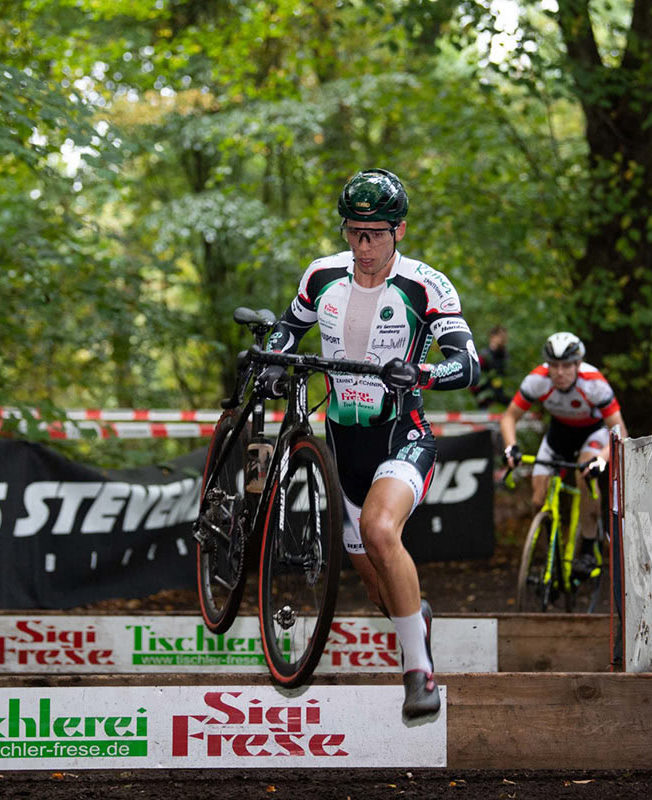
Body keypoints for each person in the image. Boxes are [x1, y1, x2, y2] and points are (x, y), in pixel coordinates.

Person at [259, 168, 479, 719]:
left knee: (383, 530)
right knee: (379, 590)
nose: (363, 245)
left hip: (403, 438)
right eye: (354, 231)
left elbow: (468, 364)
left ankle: (419, 673)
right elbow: (290, 327)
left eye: (376, 233)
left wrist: (422, 372)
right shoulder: (322, 275)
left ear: (399, 230)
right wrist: (272, 356)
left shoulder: (426, 284)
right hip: (344, 452)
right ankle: (414, 618)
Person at [498, 332, 628, 574]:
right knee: (538, 499)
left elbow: (620, 432)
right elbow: (509, 417)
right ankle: (552, 550)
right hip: (559, 433)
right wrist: (511, 447)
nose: (559, 372)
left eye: (566, 365)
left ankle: (589, 548)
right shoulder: (537, 380)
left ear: (578, 364)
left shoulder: (594, 384)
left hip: (593, 433)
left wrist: (602, 459)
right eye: (554, 365)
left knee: (585, 474)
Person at [470, 325, 510, 409]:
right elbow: (474, 375)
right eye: (501, 336)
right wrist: (478, 395)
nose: (503, 340)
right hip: (486, 399)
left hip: (502, 398)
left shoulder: (504, 356)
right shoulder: (484, 355)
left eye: (504, 337)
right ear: (492, 337)